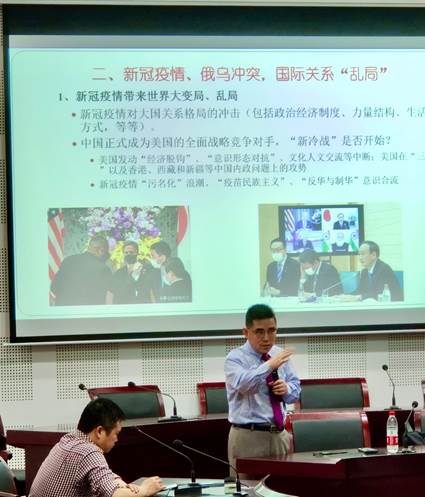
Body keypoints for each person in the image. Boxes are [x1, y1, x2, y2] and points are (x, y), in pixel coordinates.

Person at [29, 398, 165, 497]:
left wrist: (119, 483)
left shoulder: (69, 439)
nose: (117, 439)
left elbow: (101, 474)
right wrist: (144, 490)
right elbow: (114, 494)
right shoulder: (89, 452)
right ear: (100, 431)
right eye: (116, 433)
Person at [225, 304, 300, 471]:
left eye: (271, 331)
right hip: (248, 437)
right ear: (246, 332)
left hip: (279, 435)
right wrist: (270, 365)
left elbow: (295, 392)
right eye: (259, 332)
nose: (266, 338)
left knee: (281, 484)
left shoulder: (280, 354)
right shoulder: (235, 358)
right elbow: (245, 385)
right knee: (247, 485)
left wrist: (287, 389)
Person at [50, 236, 112, 306]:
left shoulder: (68, 260)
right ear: (101, 251)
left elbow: (53, 288)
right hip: (86, 311)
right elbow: (106, 299)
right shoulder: (103, 269)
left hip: (63, 310)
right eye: (106, 254)